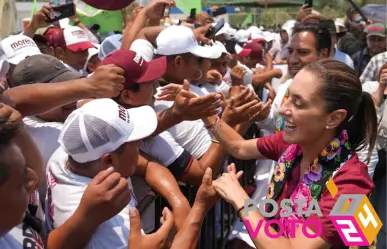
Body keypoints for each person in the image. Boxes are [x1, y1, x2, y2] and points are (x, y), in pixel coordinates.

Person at [206, 59, 377, 249]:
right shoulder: (292, 145)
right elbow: (238, 147)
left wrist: (240, 199)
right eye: (288, 96)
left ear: (334, 118)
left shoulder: (351, 184)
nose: (282, 109)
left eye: (298, 103)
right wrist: (206, 113)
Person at [45, 98, 163, 248]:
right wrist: (196, 213)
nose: (140, 143)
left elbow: (147, 166)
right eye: (133, 141)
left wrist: (179, 203)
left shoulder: (67, 155)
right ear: (108, 161)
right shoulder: (111, 231)